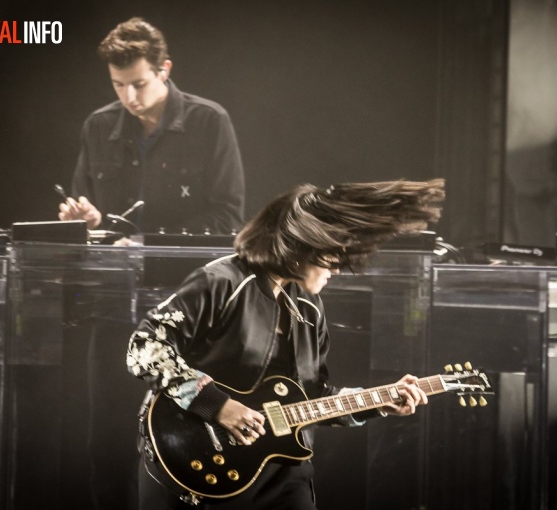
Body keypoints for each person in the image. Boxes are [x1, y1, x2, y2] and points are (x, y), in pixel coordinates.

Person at [126, 178, 445, 509]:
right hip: (198, 462)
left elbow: (314, 396)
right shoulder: (222, 281)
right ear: (302, 245)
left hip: (282, 474)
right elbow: (145, 347)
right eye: (333, 252)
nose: (339, 265)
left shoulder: (309, 308)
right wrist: (218, 405)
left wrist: (379, 402)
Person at [58, 17, 245, 235]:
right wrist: (86, 222)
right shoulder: (97, 126)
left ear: (164, 70)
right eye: (118, 84)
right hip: (113, 266)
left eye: (139, 85)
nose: (128, 97)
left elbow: (228, 217)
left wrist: (144, 246)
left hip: (184, 267)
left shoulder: (210, 121)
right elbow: (85, 216)